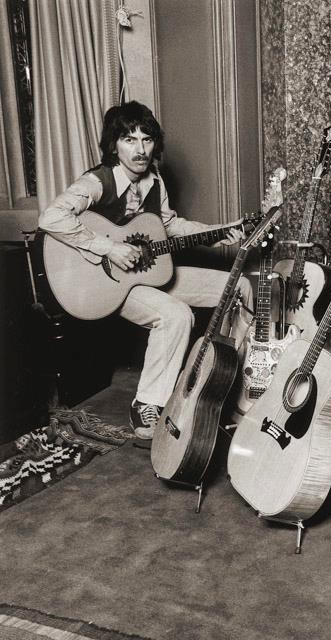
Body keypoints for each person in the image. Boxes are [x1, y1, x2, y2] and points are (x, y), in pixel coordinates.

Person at [39, 101, 253, 442]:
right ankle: (147, 404)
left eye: (147, 139)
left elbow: (168, 225)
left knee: (239, 285)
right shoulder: (97, 181)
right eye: (129, 139)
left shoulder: (154, 180)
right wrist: (109, 247)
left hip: (148, 272)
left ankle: (228, 383)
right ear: (113, 145)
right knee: (175, 315)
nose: (140, 149)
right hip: (103, 281)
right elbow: (51, 218)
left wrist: (217, 232)